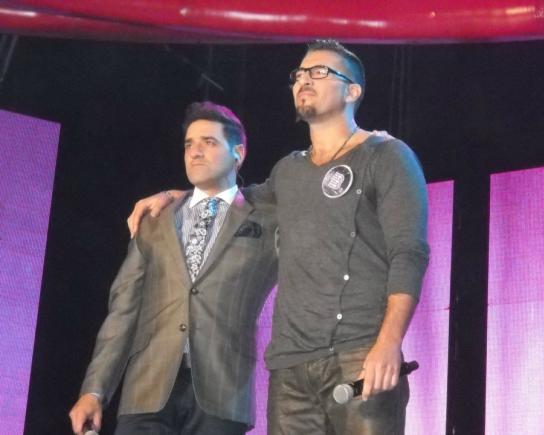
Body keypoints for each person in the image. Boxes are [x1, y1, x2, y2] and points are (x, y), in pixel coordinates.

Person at [128, 40, 429, 435]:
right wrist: (176, 195)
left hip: (360, 354)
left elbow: (409, 252)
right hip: (290, 371)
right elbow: (238, 201)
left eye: (320, 72)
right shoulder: (289, 170)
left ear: (352, 91)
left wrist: (388, 343)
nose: (304, 80)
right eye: (299, 74)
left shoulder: (386, 155)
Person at [69, 101, 278, 435]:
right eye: (189, 144)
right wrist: (94, 391)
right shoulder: (155, 221)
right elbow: (123, 312)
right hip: (147, 390)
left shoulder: (267, 220)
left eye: (209, 142)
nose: (195, 152)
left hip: (223, 393)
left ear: (238, 153)